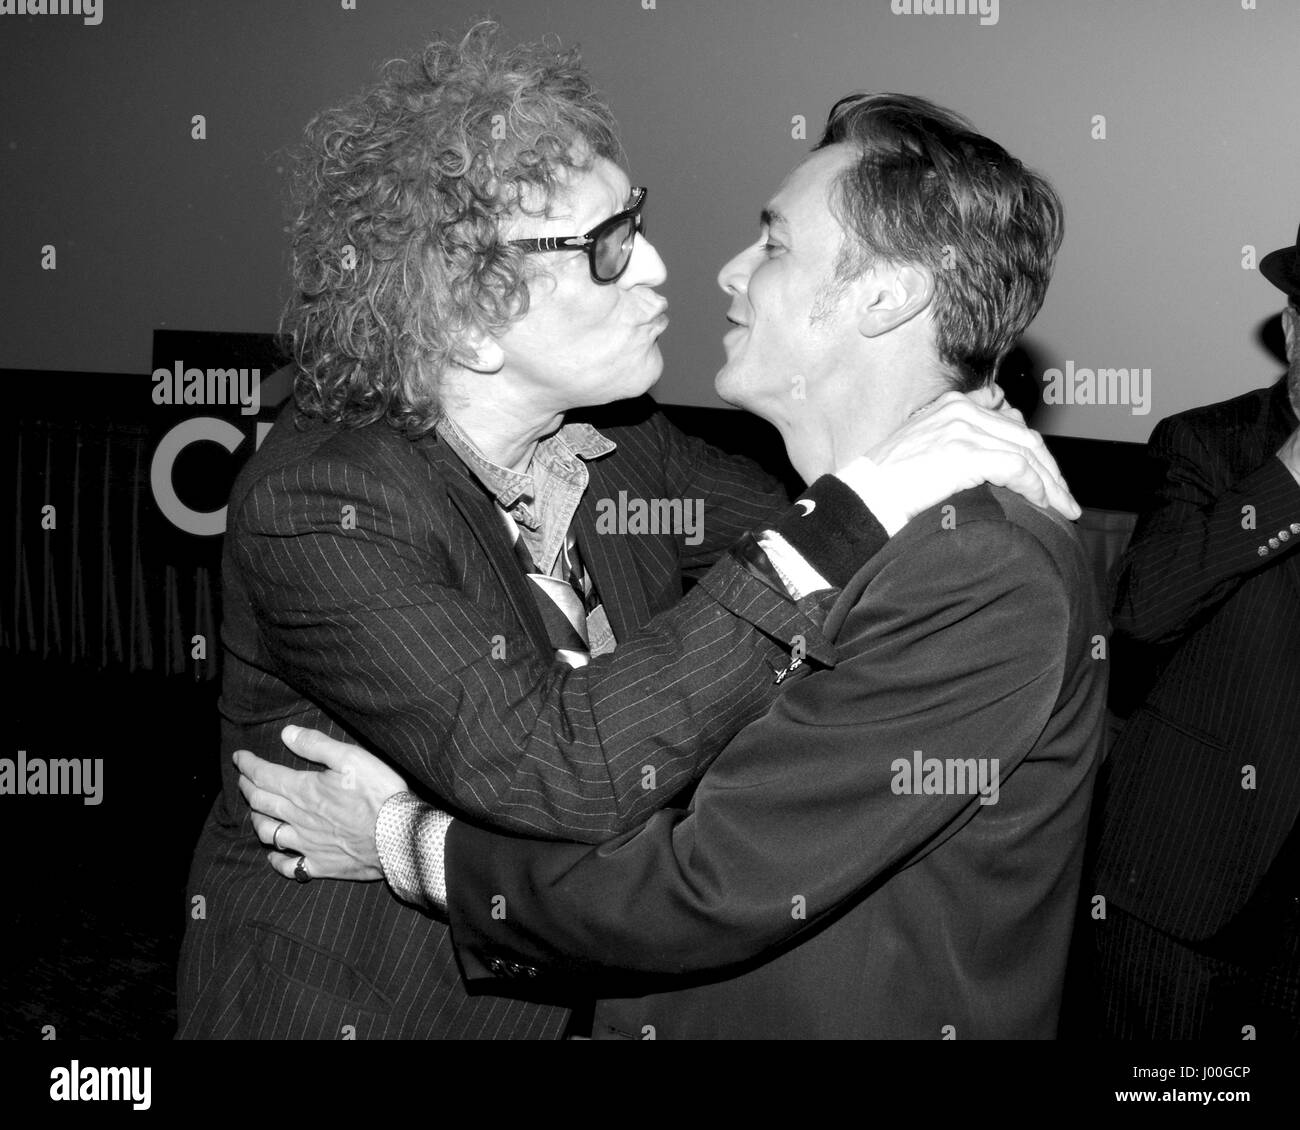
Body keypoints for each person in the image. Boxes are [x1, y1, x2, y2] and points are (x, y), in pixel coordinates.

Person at [177, 24, 1072, 1041]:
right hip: (367, 1004)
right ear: (465, 316)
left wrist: (950, 416)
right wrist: (872, 491)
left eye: (634, 220)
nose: (657, 266)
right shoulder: (323, 502)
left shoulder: (629, 450)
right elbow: (560, 768)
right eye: (604, 247)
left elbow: (853, 555)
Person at [1088, 223, 1300, 1039]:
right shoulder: (1206, 446)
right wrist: (1288, 482)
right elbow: (1142, 609)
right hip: (1187, 882)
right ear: (1291, 328)